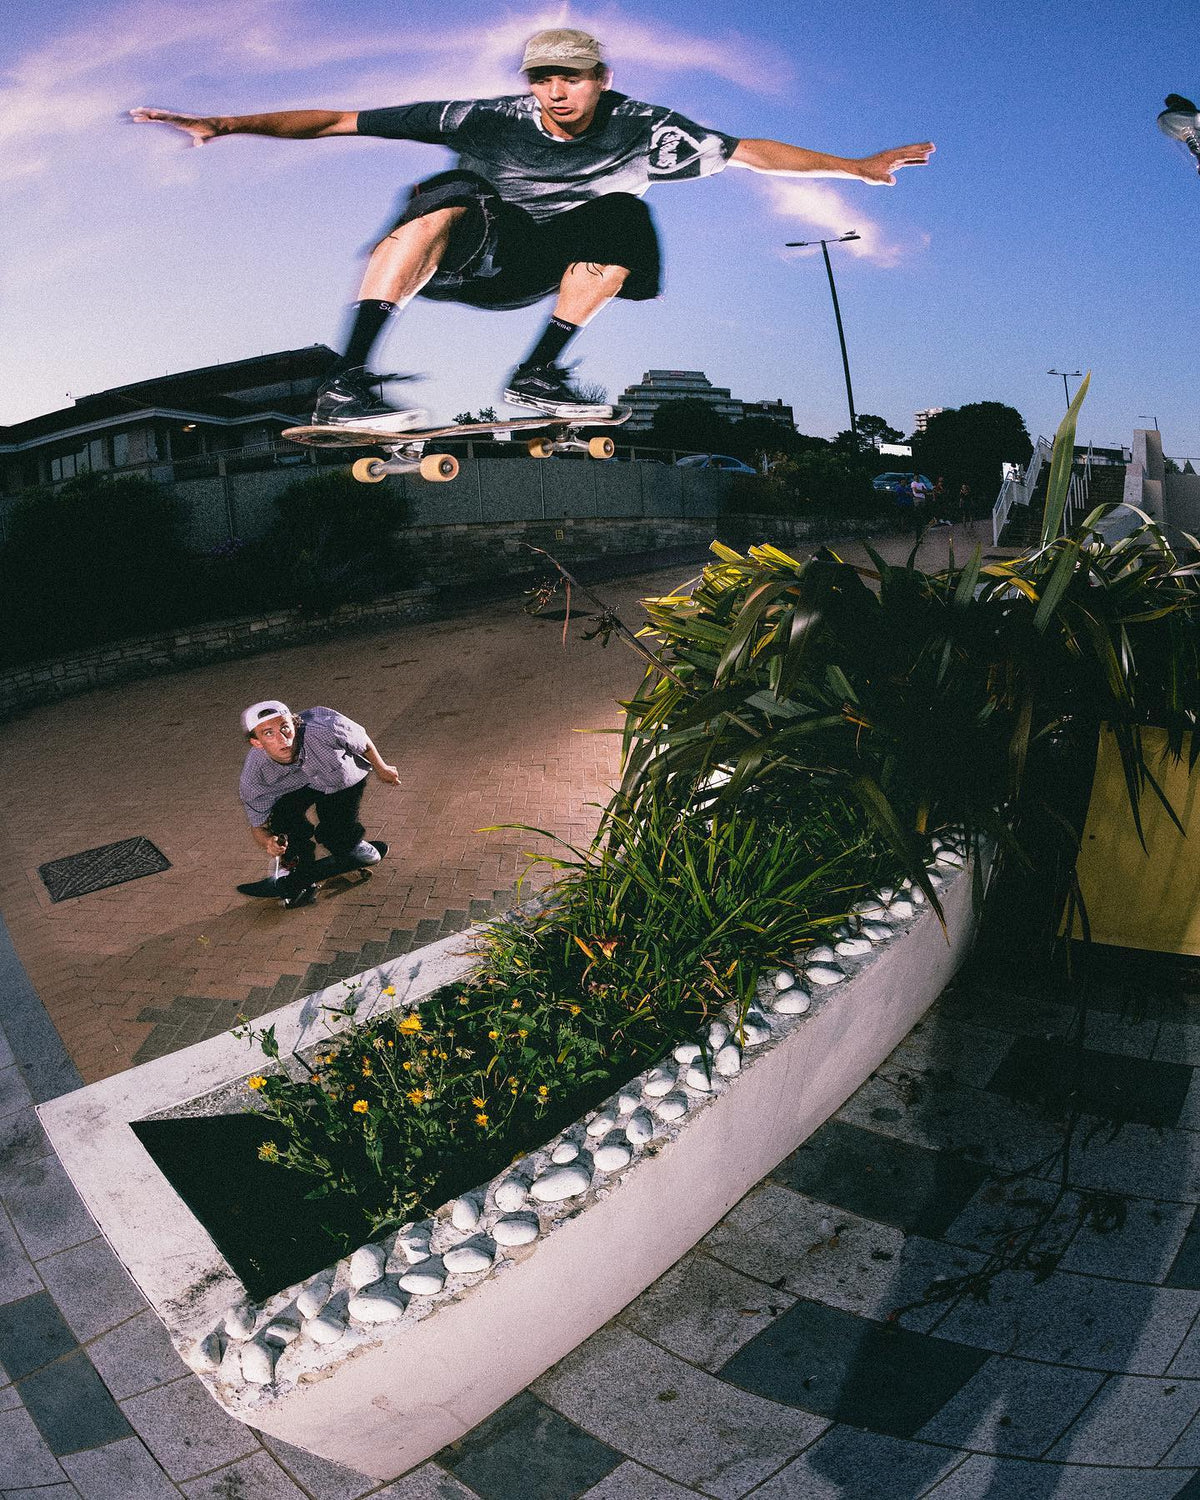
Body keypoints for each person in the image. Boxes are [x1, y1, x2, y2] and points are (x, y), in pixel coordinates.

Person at [130, 28, 934, 430]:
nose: (555, 93)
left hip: (548, 269)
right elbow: (340, 120)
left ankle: (536, 377)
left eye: (571, 79)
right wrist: (228, 123)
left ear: (601, 80)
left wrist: (854, 167)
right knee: (447, 189)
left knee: (624, 213)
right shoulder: (483, 117)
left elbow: (751, 151)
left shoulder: (646, 127)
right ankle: (345, 381)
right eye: (543, 79)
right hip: (474, 252)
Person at [239, 700, 400, 908]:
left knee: (334, 832)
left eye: (285, 728)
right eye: (268, 733)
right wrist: (268, 841)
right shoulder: (254, 776)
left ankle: (350, 846)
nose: (283, 739)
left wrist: (382, 767)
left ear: (295, 725)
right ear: (257, 742)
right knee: (282, 816)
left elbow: (363, 742)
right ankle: (295, 863)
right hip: (299, 787)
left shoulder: (324, 727)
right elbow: (258, 826)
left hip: (341, 780)